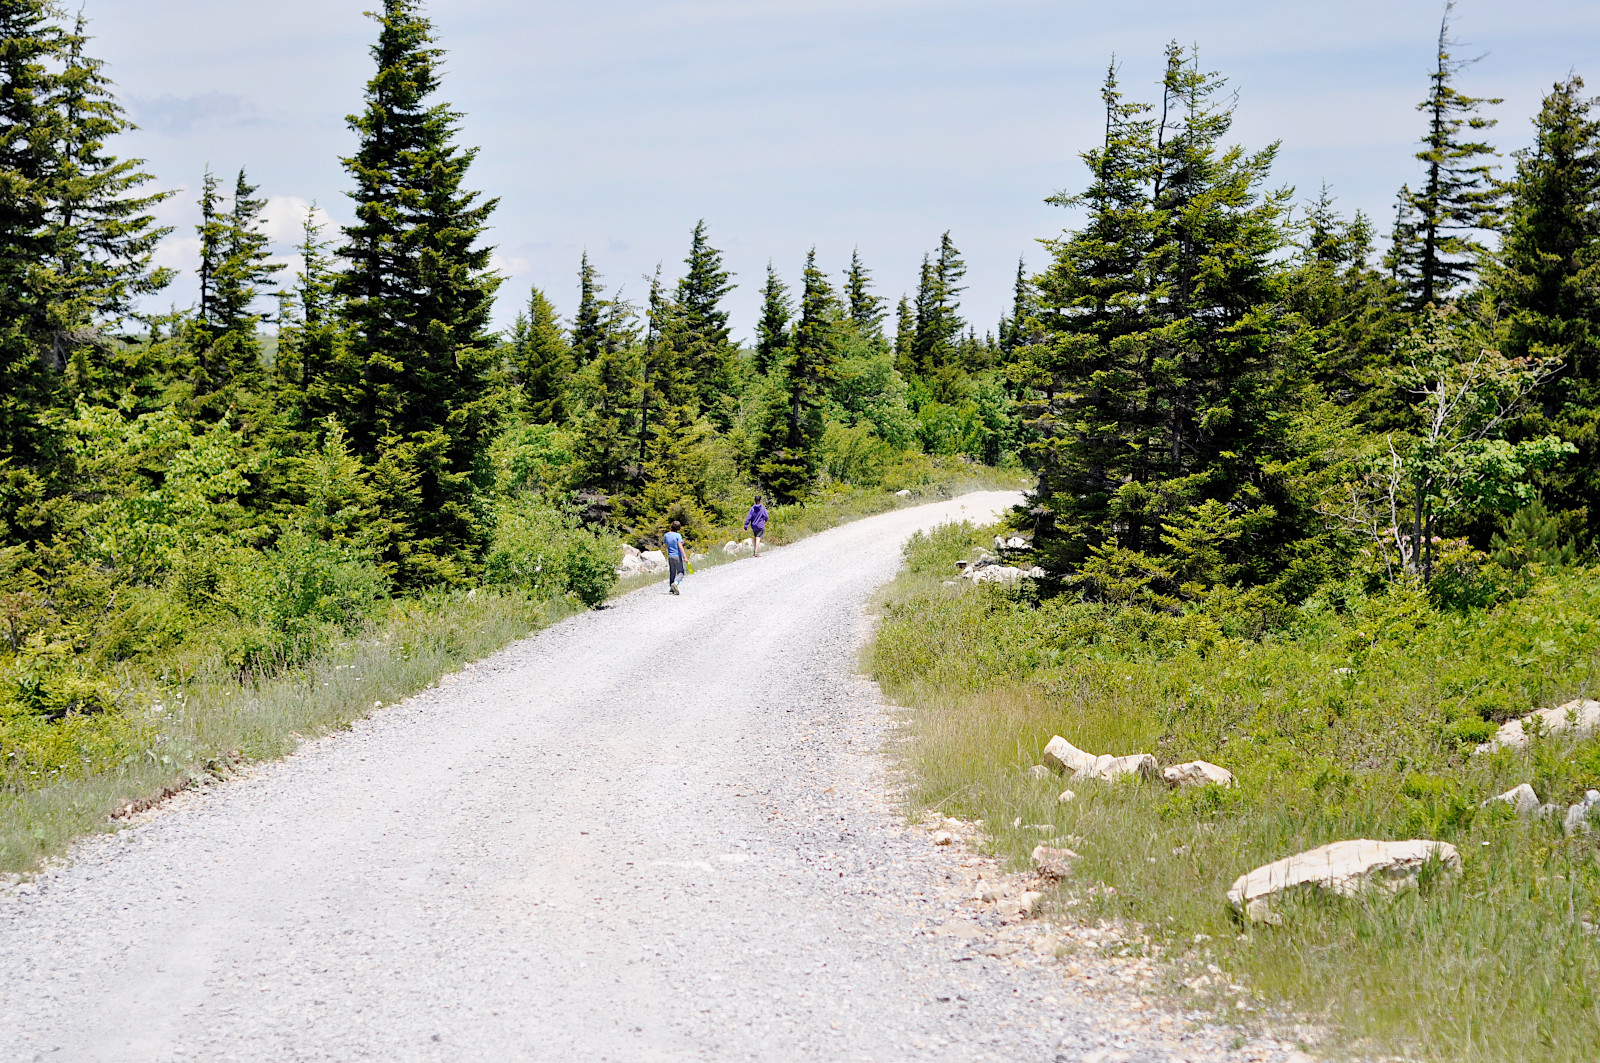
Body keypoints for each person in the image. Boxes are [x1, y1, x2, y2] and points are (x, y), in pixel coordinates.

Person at [663, 520, 687, 594]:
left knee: (672, 573)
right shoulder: (678, 535)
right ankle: (675, 584)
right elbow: (680, 546)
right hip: (677, 555)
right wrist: (685, 557)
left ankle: (671, 590)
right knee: (681, 572)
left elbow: (666, 545)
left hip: (670, 556)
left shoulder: (666, 535)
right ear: (678, 528)